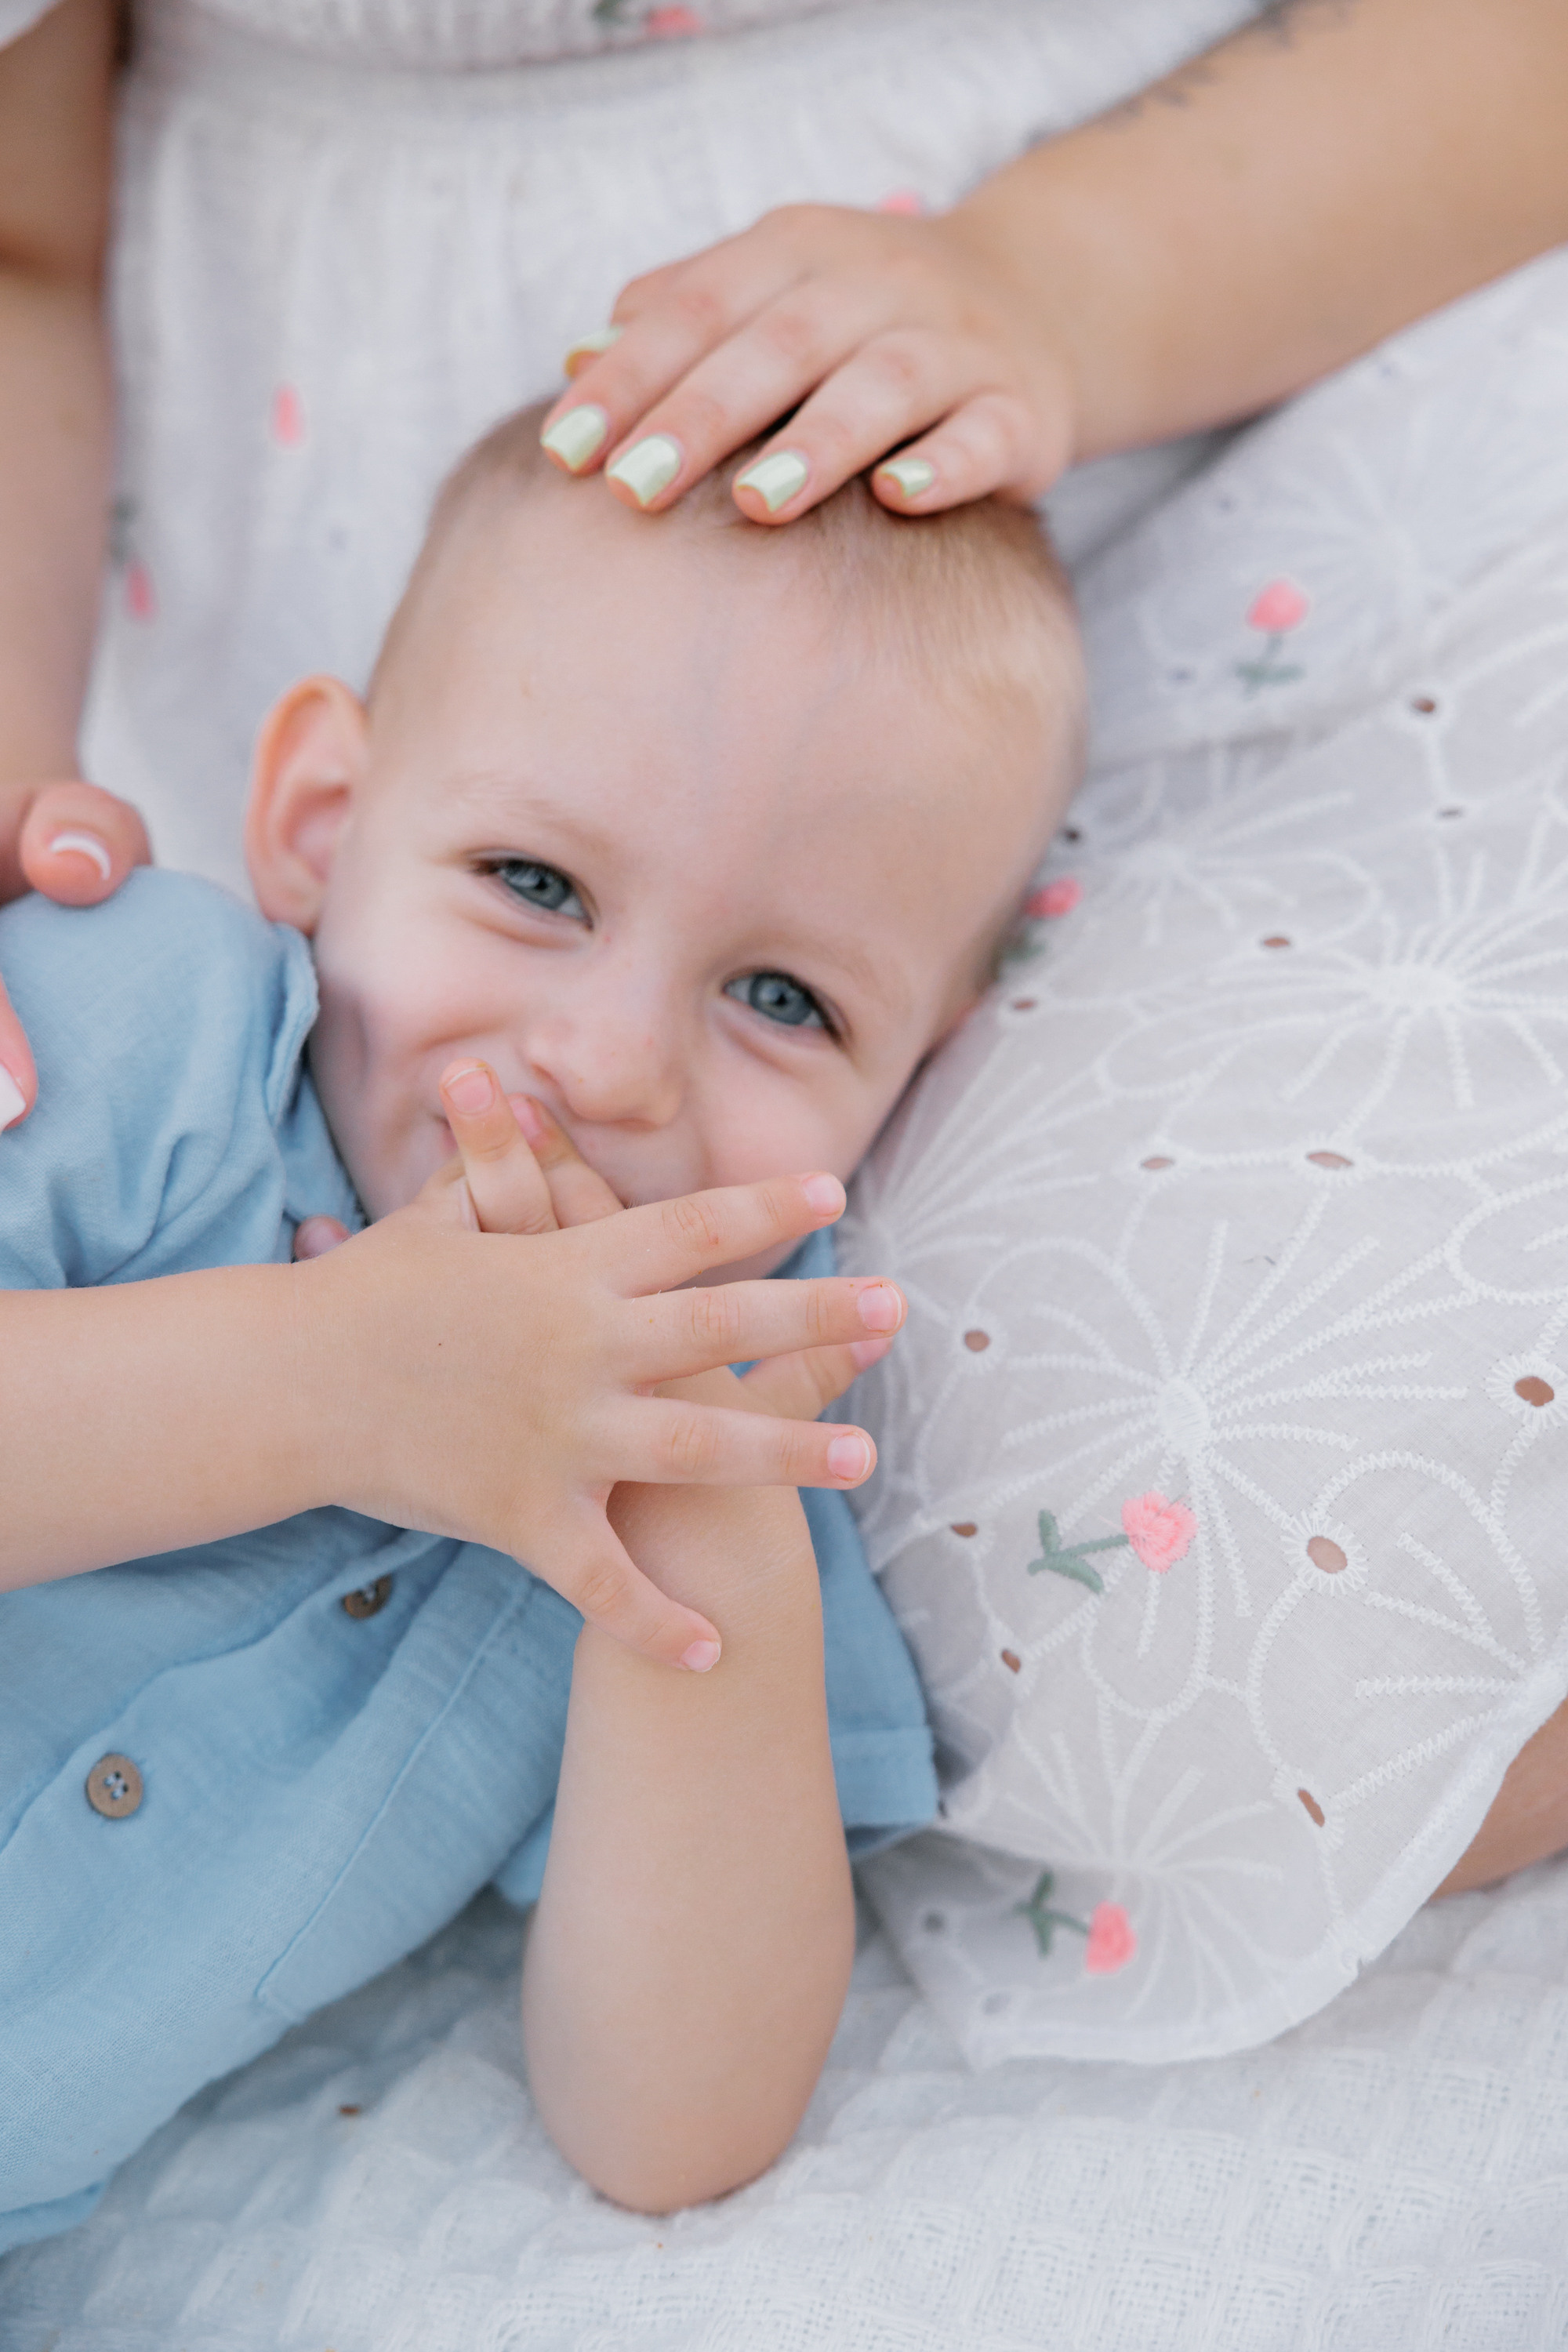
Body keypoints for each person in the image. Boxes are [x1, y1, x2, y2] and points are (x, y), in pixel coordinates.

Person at [0, 405, 1086, 2247]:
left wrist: (706, 1537)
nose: (607, 1063)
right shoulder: (143, 1037)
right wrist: (333, 1383)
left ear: (911, 1086)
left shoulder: (723, 1476)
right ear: (320, 829)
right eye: (537, 887)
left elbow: (670, 2121)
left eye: (780, 998)